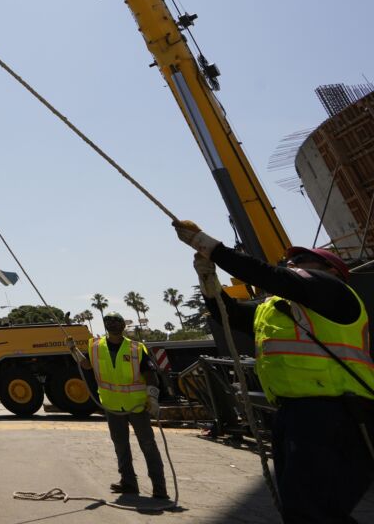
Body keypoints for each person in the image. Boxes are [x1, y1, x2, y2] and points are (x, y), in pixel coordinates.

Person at [173, 221, 374, 522]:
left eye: (302, 260)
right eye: (289, 261)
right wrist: (209, 284)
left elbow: (273, 277)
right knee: (309, 508)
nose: (292, 264)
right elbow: (230, 317)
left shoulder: (333, 291)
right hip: (296, 413)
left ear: (333, 271)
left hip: (335, 412)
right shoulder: (278, 310)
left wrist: (210, 247)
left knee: (311, 510)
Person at [73, 312, 168, 499]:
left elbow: (150, 375)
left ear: (123, 325)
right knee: (120, 445)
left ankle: (159, 487)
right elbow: (86, 365)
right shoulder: (96, 346)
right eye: (110, 322)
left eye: (116, 322)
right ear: (106, 325)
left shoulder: (136, 348)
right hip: (112, 406)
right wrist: (73, 350)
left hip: (137, 406)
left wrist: (153, 399)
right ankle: (128, 483)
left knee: (148, 445)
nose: (113, 325)